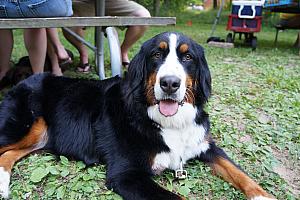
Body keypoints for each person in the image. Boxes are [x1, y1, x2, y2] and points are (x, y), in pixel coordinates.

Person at [63, 0, 151, 72]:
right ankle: (83, 55)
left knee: (143, 16)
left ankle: (122, 53)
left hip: (114, 2)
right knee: (68, 20)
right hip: (83, 2)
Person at [0, 0, 73, 81]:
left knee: (33, 13)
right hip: (40, 6)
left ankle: (4, 72)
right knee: (37, 13)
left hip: (5, 6)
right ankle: (48, 70)